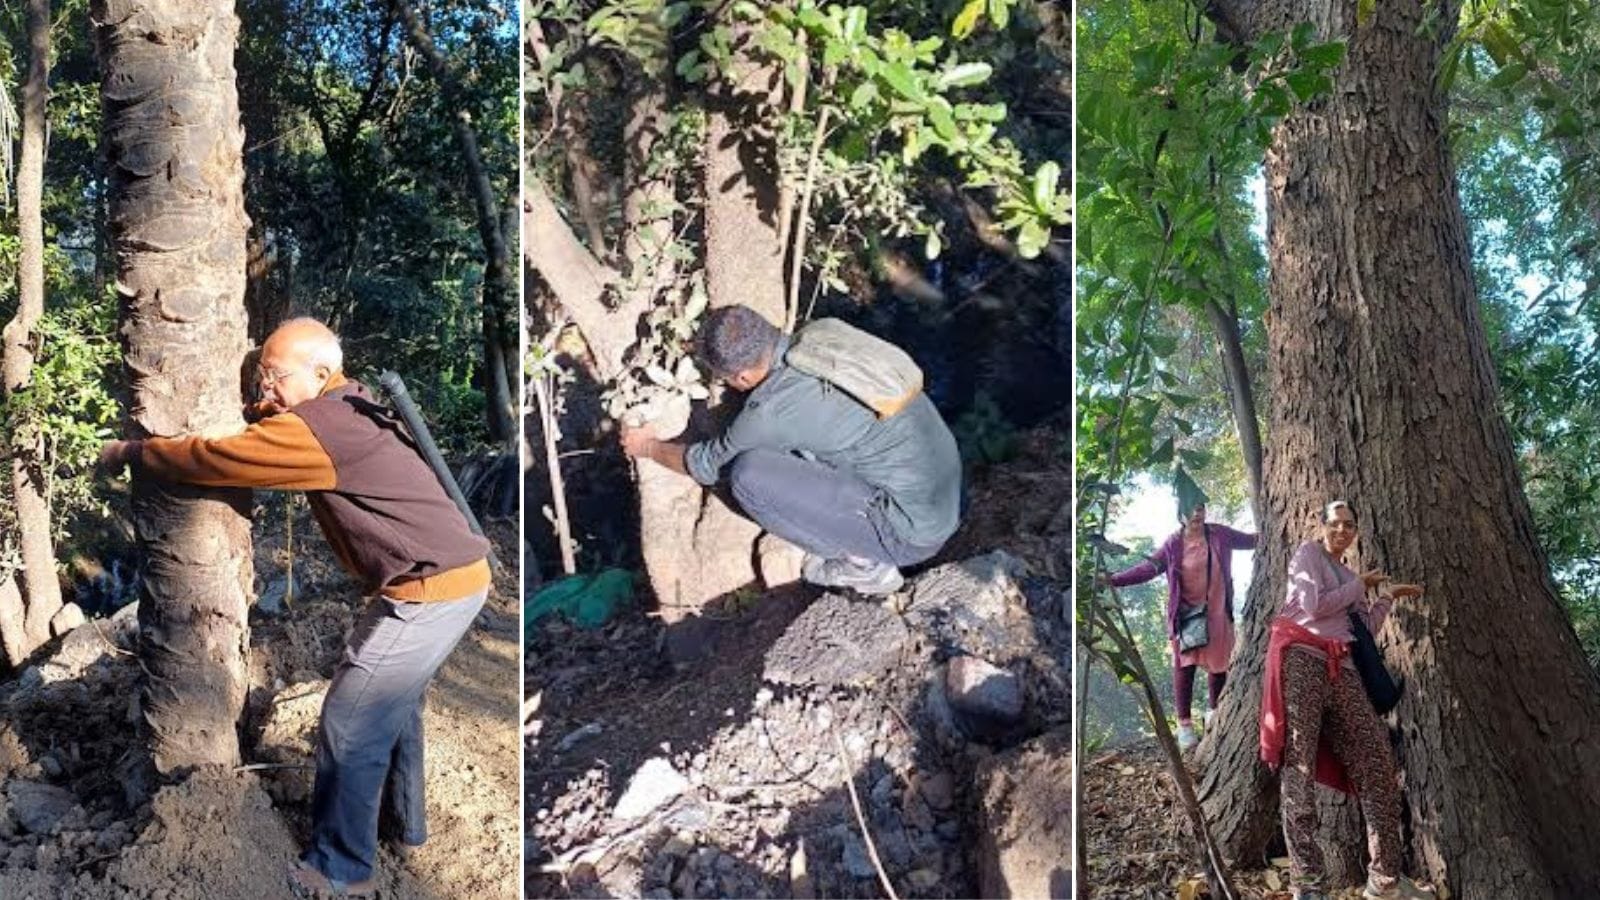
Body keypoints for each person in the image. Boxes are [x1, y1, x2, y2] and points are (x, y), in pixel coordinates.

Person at [101, 318, 491, 898]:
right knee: (393, 705)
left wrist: (135, 451)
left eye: (275, 378)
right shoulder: (349, 407)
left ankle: (343, 871)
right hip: (450, 579)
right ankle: (404, 826)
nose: (267, 393)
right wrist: (269, 409)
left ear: (320, 372)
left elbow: (219, 458)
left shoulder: (320, 432)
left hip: (430, 592)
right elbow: (281, 425)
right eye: (263, 380)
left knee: (352, 722)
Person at [620, 305, 962, 595]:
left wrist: (646, 446)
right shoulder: (823, 334)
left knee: (749, 474)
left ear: (740, 377)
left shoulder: (769, 412)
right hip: (944, 486)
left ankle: (865, 566)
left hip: (909, 533)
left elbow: (705, 464)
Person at [1259, 500, 1433, 900]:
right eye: (1335, 523)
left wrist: (1384, 596)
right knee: (1298, 764)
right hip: (1303, 658)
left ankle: (1384, 880)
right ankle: (1308, 884)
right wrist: (1361, 586)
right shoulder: (1308, 554)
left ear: (1355, 531)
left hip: (1346, 670)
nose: (1342, 530)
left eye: (1349, 525)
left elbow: (1363, 630)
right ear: (1322, 527)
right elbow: (1312, 606)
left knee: (1376, 760)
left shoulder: (1352, 577)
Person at [1101, 494, 1256, 749]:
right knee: (1185, 666)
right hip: (1186, 615)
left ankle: (1214, 713)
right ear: (1180, 515)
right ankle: (1184, 726)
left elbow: (1251, 540)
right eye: (1191, 509)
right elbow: (1147, 569)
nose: (1197, 513)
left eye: (1201, 508)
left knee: (1219, 665)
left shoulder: (1219, 534)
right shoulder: (1173, 544)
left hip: (1217, 610)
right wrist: (1114, 579)